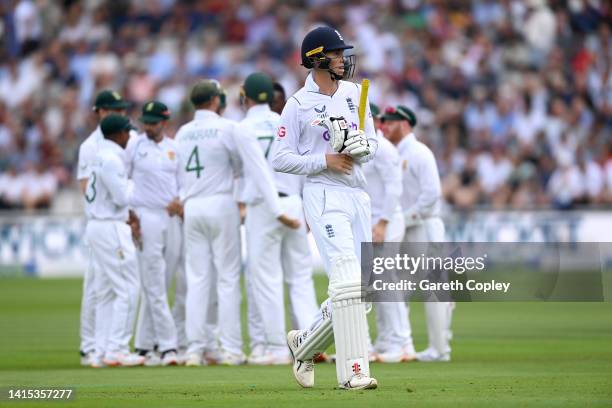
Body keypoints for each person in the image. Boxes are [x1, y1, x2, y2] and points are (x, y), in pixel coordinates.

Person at [271, 26, 379, 390]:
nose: (342, 60)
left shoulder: (353, 93)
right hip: (323, 193)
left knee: (364, 290)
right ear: (317, 59)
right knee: (347, 281)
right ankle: (353, 373)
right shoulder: (298, 105)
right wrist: (325, 161)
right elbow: (280, 158)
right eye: (335, 54)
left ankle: (304, 343)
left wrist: (363, 147)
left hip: (357, 195)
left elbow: (373, 143)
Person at [176, 79, 300, 366]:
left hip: (192, 206)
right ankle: (230, 348)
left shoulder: (182, 133)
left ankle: (196, 348)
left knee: (197, 279)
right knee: (228, 278)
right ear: (216, 101)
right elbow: (247, 165)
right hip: (221, 202)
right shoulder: (228, 128)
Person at [239, 72, 319, 365]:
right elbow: (301, 167)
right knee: (300, 277)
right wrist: (303, 208)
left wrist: (277, 211)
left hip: (266, 207)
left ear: (244, 97)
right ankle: (314, 342)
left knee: (267, 279)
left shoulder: (243, 128)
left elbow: (259, 173)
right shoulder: (286, 123)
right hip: (295, 203)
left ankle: (275, 348)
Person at [381, 105, 454, 362]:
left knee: (435, 290)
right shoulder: (393, 153)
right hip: (405, 229)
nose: (384, 126)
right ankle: (400, 343)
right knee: (398, 287)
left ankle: (440, 349)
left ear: (404, 124)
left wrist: (405, 218)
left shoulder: (420, 152)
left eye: (390, 122)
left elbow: (432, 195)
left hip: (424, 226)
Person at [84, 113, 144, 367]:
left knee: (107, 290)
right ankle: (117, 349)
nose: (129, 136)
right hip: (111, 227)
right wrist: (134, 183)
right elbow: (122, 197)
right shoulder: (112, 159)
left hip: (97, 225)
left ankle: (100, 350)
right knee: (129, 288)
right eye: (126, 132)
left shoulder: (97, 157)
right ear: (118, 135)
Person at [125, 101, 182, 366]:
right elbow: (122, 181)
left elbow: (184, 184)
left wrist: (180, 200)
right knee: (153, 282)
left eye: (153, 122)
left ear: (164, 122)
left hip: (171, 218)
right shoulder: (134, 145)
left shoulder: (174, 148)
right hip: (145, 215)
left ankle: (143, 346)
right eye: (145, 122)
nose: (148, 126)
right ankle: (169, 346)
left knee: (162, 280)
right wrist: (130, 214)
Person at [76, 90, 131, 366]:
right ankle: (92, 348)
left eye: (120, 109)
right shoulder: (92, 146)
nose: (117, 113)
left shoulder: (119, 140)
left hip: (105, 222)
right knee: (98, 287)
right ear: (99, 112)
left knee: (106, 288)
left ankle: (100, 348)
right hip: (104, 221)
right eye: (111, 109)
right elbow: (86, 185)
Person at [362, 103, 414, 363]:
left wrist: (382, 223)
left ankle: (402, 343)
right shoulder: (367, 146)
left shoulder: (382, 148)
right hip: (376, 222)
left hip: (388, 221)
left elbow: (395, 189)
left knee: (386, 282)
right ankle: (388, 341)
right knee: (377, 285)